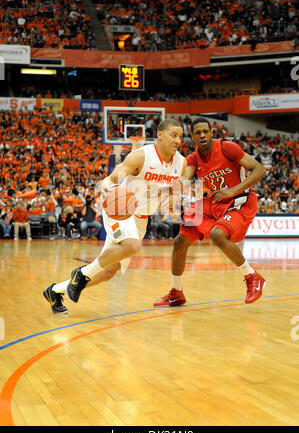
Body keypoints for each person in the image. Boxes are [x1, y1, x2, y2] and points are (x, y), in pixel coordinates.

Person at [43, 119, 187, 313]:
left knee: (109, 272)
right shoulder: (142, 156)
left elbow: (172, 194)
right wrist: (108, 181)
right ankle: (82, 273)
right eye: (173, 135)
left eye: (180, 136)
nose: (178, 140)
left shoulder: (181, 163)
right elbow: (118, 172)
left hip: (141, 218)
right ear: (160, 135)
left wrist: (170, 197)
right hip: (121, 210)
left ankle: (54, 291)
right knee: (132, 246)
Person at [154, 117, 267, 308]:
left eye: (205, 131)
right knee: (180, 241)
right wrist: (165, 190)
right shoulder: (193, 158)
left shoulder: (227, 148)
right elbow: (185, 180)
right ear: (193, 138)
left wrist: (232, 190)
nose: (202, 135)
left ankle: (252, 276)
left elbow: (260, 170)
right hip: (213, 202)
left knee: (217, 234)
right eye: (198, 133)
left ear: (211, 133)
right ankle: (176, 292)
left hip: (239, 200)